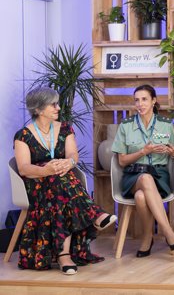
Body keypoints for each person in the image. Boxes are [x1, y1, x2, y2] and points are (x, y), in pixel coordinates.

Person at [13, 87, 117, 274]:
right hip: (36, 182)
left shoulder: (65, 128)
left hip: (61, 183)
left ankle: (64, 256)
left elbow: (72, 154)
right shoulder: (23, 135)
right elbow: (23, 168)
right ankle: (94, 216)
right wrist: (46, 170)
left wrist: (68, 163)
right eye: (53, 104)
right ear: (38, 109)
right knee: (57, 181)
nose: (58, 108)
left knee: (60, 185)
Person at [112, 85, 174, 257]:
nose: (140, 104)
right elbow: (121, 161)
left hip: (159, 176)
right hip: (133, 177)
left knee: (141, 197)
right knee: (144, 178)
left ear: (153, 101)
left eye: (144, 99)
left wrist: (173, 152)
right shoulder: (126, 126)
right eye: (137, 100)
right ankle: (168, 231)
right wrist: (143, 151)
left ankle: (147, 236)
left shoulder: (165, 125)